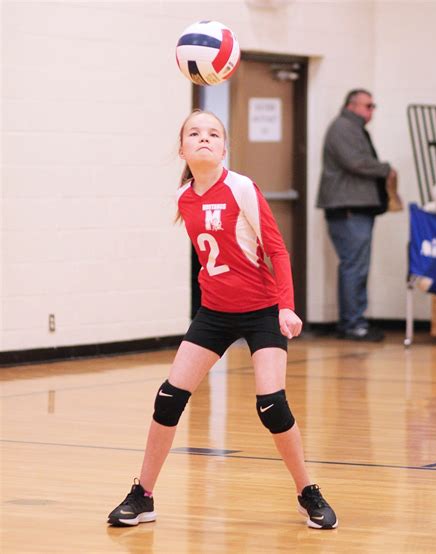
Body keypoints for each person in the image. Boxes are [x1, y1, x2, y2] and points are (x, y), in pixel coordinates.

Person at [107, 110, 337, 530]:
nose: (204, 139)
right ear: (182, 148)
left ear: (225, 146)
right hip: (214, 313)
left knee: (271, 404)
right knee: (168, 397)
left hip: (262, 310)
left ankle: (307, 491)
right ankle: (143, 496)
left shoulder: (242, 188)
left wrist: (286, 305)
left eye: (214, 133)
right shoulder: (183, 198)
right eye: (194, 133)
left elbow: (277, 250)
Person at [316, 89, 397, 342]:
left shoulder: (353, 128)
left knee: (357, 267)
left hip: (356, 208)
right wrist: (385, 169)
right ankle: (353, 324)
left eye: (373, 106)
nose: (371, 111)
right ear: (352, 105)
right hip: (348, 209)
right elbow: (354, 162)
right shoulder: (343, 127)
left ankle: (355, 321)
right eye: (368, 105)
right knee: (354, 267)